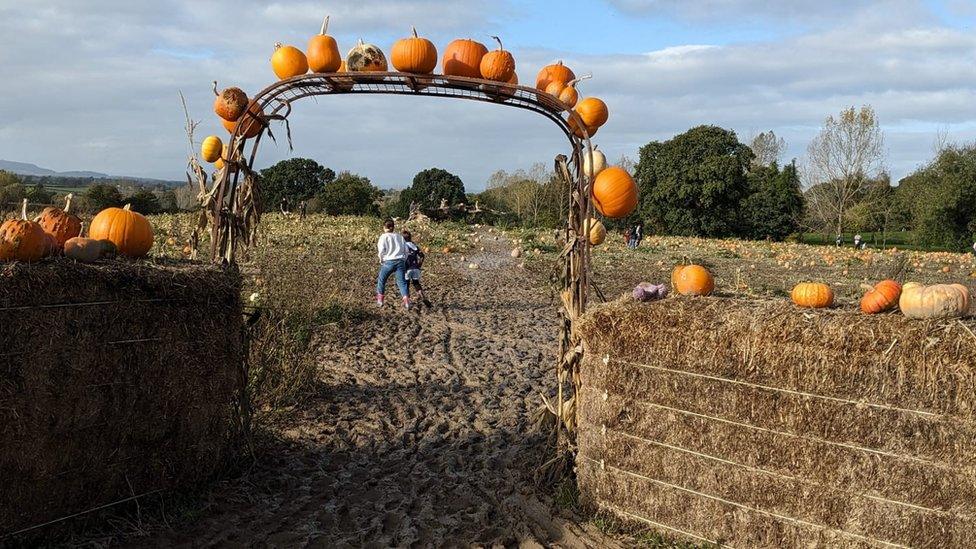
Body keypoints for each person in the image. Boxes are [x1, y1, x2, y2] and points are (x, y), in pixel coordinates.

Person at [375, 219, 410, 309]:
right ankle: (406, 302)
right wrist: (404, 260)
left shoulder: (383, 237)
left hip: (389, 261)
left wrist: (381, 259)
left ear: (384, 227)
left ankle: (380, 300)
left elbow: (381, 250)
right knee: (402, 282)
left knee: (382, 280)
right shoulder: (399, 236)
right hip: (400, 261)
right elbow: (406, 250)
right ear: (393, 227)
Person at [402, 230, 432, 309]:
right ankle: (422, 295)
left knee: (406, 285)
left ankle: (407, 302)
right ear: (410, 238)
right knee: (416, 283)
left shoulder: (403, 246)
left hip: (407, 269)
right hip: (416, 268)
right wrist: (419, 264)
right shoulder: (415, 246)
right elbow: (422, 255)